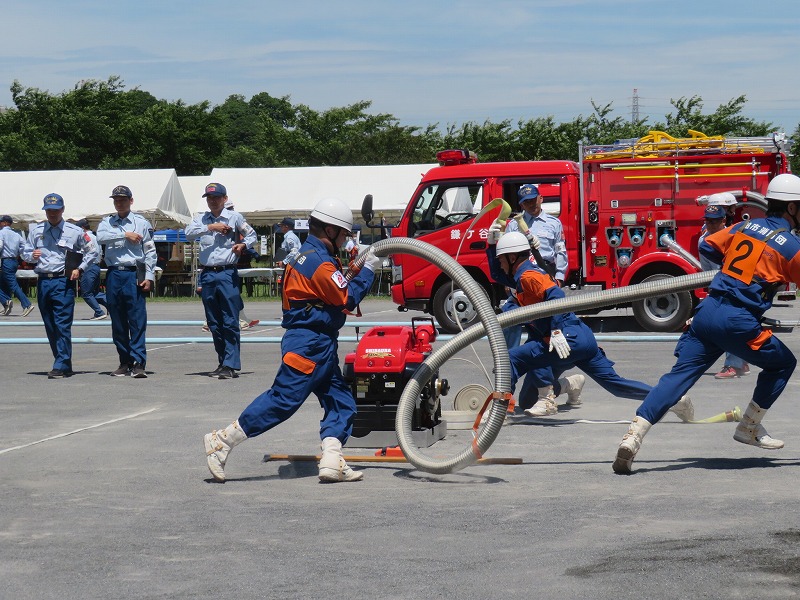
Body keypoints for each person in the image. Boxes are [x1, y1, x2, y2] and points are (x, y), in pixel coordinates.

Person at [612, 174, 800, 475]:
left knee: (677, 378)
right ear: (792, 209)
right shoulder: (791, 246)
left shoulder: (743, 226)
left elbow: (710, 247)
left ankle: (633, 436)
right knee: (782, 364)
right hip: (738, 321)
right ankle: (749, 426)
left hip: (707, 312)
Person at [203, 197, 381, 483]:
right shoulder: (318, 262)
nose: (347, 240)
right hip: (309, 344)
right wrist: (369, 269)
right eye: (345, 233)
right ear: (331, 231)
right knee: (283, 400)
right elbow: (345, 297)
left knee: (341, 402)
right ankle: (222, 441)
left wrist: (355, 268)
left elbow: (334, 290)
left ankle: (332, 460)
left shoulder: (308, 255)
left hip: (317, 343)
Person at [486, 227, 693, 421]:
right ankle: (674, 400)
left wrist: (557, 329)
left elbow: (557, 296)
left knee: (511, 358)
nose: (500, 265)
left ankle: (499, 410)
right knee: (615, 386)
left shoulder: (528, 277)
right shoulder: (521, 276)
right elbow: (497, 274)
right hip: (581, 339)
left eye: (501, 260)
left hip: (564, 339)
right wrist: (491, 243)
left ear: (512, 258)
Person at [21, 193, 98, 378]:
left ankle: (60, 363)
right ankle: (63, 362)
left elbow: (93, 251)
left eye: (55, 210)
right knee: (50, 325)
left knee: (62, 324)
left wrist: (80, 268)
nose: (52, 214)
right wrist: (32, 256)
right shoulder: (36, 231)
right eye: (48, 210)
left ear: (62, 210)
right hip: (43, 281)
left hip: (62, 281)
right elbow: (25, 251)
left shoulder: (75, 231)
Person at [185, 183, 256, 379]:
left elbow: (252, 234)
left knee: (230, 320)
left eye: (216, 197)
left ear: (225, 199)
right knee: (214, 322)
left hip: (226, 272)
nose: (212, 201)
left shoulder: (235, 217)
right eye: (209, 198)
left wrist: (242, 244)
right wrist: (210, 227)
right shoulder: (201, 219)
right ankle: (222, 360)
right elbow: (187, 233)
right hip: (207, 274)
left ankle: (231, 364)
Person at [96, 186, 158, 378]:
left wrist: (148, 276)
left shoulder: (141, 222)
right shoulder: (107, 222)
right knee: (118, 321)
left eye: (123, 199)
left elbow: (150, 251)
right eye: (116, 200)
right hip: (115, 273)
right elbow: (100, 238)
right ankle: (124, 361)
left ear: (131, 201)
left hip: (134, 273)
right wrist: (124, 234)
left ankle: (139, 362)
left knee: (137, 319)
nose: (119, 203)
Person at [502, 183, 568, 352]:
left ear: (541, 198)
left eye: (533, 200)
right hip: (521, 281)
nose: (531, 204)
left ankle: (540, 365)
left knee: (541, 327)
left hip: (543, 278)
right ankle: (508, 360)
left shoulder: (553, 223)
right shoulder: (514, 225)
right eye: (526, 202)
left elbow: (560, 251)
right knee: (508, 318)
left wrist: (559, 277)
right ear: (521, 205)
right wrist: (508, 283)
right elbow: (507, 255)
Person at [698, 199, 750, 379]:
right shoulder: (703, 241)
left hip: (737, 286)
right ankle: (740, 362)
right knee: (728, 326)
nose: (710, 225)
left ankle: (734, 366)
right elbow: (707, 271)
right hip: (720, 287)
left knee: (728, 326)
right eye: (707, 221)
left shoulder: (735, 238)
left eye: (714, 221)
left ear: (723, 221)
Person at [0, 215, 35, 317]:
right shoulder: (17, 234)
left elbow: (0, 246)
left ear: (5, 223)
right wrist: (16, 253)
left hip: (5, 260)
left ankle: (27, 304)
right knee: (2, 283)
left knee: (12, 284)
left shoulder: (1, 233)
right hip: (14, 261)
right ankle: (6, 302)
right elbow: (24, 247)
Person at [75, 218, 107, 320]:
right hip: (96, 266)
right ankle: (113, 305)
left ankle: (99, 312)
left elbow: (83, 253)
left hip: (89, 266)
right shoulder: (95, 237)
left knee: (86, 292)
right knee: (95, 292)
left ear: (82, 228)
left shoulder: (86, 237)